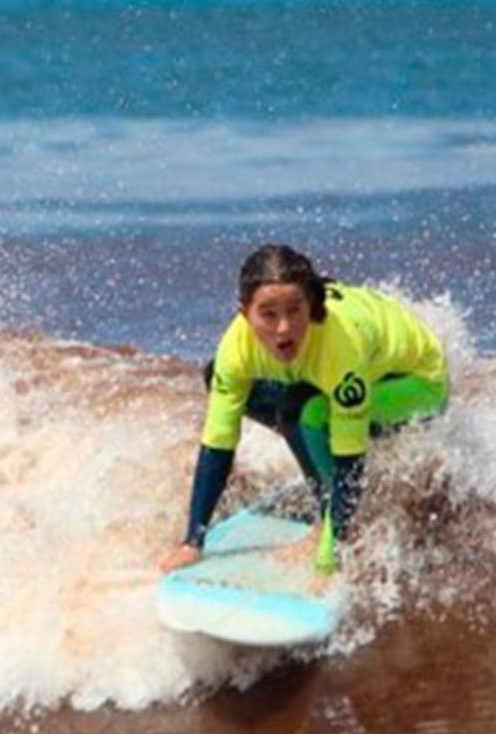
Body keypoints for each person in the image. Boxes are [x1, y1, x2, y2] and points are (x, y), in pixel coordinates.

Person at [158, 244, 449, 574]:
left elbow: (350, 462)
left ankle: (332, 521)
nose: (283, 328)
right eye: (268, 314)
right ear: (244, 313)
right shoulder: (235, 348)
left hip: (417, 384)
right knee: (223, 382)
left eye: (295, 310)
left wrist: (328, 558)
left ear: (310, 305)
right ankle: (316, 463)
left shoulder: (340, 352)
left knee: (305, 414)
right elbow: (218, 442)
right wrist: (192, 542)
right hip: (364, 366)